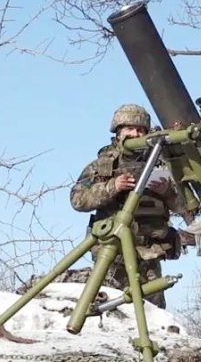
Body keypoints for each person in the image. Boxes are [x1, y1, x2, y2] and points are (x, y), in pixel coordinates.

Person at [69, 104, 188, 308]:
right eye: (129, 129)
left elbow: (188, 208)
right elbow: (77, 199)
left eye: (140, 130)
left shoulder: (161, 162)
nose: (135, 134)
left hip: (149, 252)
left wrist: (168, 193)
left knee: (154, 313)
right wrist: (111, 187)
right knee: (111, 308)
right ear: (118, 132)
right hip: (112, 253)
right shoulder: (102, 165)